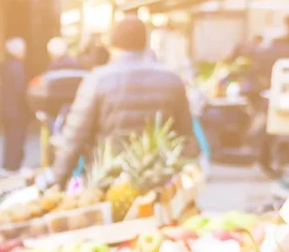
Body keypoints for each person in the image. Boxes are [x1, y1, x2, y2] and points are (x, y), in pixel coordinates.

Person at [49, 17, 193, 187]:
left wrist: (56, 181)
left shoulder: (96, 80)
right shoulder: (172, 80)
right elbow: (185, 136)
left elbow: (73, 140)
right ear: (145, 42)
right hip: (159, 184)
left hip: (109, 185)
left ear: (112, 44)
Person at [0, 37, 31, 174]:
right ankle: (14, 166)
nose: (25, 52)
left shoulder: (6, 65)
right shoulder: (17, 67)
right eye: (23, 50)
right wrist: (28, 104)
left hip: (7, 108)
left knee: (10, 138)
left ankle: (8, 165)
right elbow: (20, 89)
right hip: (17, 109)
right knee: (17, 138)